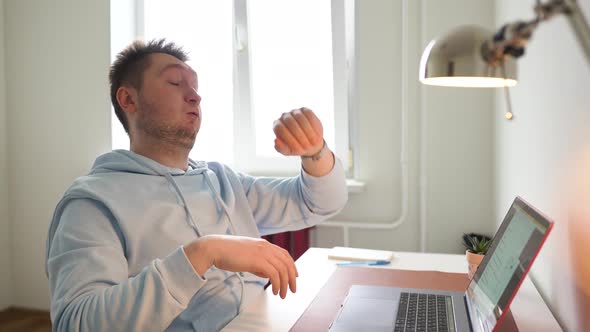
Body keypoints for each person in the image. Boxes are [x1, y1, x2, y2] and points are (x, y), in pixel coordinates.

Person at [45, 39, 348, 331]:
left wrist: (315, 151)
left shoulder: (222, 180)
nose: (195, 96)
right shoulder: (91, 204)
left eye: (195, 86)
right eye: (176, 83)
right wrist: (202, 253)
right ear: (128, 100)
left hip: (269, 320)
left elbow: (318, 202)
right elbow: (78, 323)